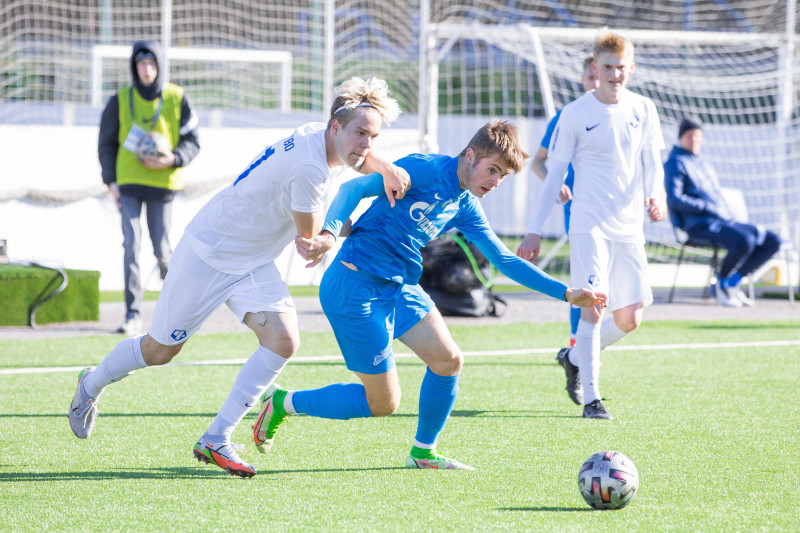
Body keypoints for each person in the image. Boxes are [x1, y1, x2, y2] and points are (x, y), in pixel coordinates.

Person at [70, 77, 411, 478]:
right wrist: (338, 235)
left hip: (252, 261)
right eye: (360, 133)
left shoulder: (319, 137)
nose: (366, 145)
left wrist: (386, 166)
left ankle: (216, 438)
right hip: (209, 254)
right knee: (159, 351)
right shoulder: (310, 169)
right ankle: (90, 384)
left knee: (283, 340)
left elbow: (356, 158)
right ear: (335, 127)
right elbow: (309, 239)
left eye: (373, 137)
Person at [252, 119, 607, 470]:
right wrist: (329, 234)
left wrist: (566, 292)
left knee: (448, 360)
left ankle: (423, 452)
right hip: (354, 287)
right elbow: (352, 189)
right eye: (492, 170)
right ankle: (283, 402)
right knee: (383, 404)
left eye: (502, 176)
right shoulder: (424, 169)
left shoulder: (465, 205)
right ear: (470, 155)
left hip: (399, 287)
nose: (495, 182)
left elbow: (505, 260)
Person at [516, 31, 667, 420]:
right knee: (595, 308)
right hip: (589, 224)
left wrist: (656, 195)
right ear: (595, 68)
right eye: (608, 67)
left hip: (629, 227)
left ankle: (572, 357)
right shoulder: (575, 113)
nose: (615, 74)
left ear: (631, 68)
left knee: (630, 318)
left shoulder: (644, 109)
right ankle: (592, 401)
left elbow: (653, 162)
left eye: (621, 67)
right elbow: (553, 172)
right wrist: (534, 229)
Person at [98, 41, 201, 335]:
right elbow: (106, 144)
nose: (147, 69)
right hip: (128, 183)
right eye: (141, 64)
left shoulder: (177, 98)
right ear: (134, 67)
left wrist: (173, 159)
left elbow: (193, 141)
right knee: (131, 245)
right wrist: (111, 181)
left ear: (160, 66)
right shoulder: (119, 100)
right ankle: (132, 314)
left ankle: (177, 312)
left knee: (163, 251)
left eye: (152, 63)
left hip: (162, 184)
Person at [663, 117, 781, 307]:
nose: (693, 139)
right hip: (698, 225)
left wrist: (725, 213)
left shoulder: (704, 164)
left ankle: (733, 282)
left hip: (722, 220)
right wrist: (706, 207)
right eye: (689, 135)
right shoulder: (674, 163)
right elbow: (674, 200)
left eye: (697, 135)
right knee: (745, 240)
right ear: (681, 137)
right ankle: (722, 285)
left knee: (772, 241)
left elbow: (715, 197)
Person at [531, 55, 598, 348]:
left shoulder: (627, 113)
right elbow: (538, 162)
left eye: (601, 76)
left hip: (616, 212)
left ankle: (587, 344)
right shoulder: (568, 115)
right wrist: (556, 184)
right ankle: (576, 347)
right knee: (585, 279)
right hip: (579, 210)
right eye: (592, 77)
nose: (596, 83)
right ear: (583, 80)